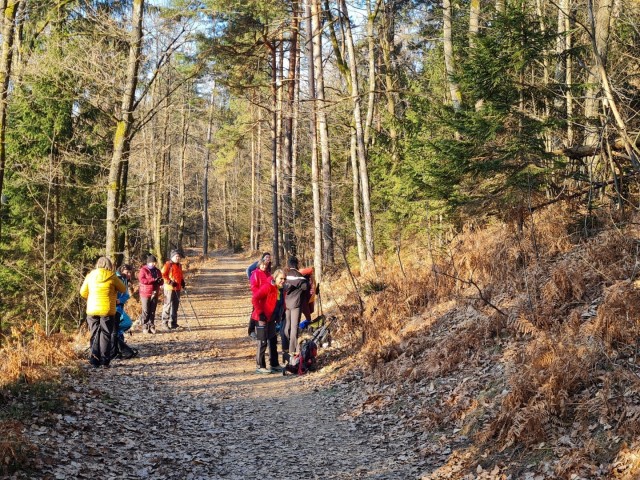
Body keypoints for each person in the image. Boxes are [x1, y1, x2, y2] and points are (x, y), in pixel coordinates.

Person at [79, 256, 126, 368]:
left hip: (92, 309)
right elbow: (123, 289)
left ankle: (94, 360)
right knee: (105, 334)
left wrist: (91, 298)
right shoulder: (112, 276)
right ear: (109, 265)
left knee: (94, 333)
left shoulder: (90, 276)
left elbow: (82, 292)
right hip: (107, 309)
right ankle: (104, 361)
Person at [252, 268, 286, 374]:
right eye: (281, 278)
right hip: (261, 318)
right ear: (275, 278)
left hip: (271, 319)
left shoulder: (280, 289)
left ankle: (274, 365)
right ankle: (260, 366)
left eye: (284, 279)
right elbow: (254, 298)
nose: (283, 281)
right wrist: (261, 314)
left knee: (273, 341)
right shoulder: (268, 286)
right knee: (262, 342)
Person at [283, 256, 309, 360]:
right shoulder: (297, 275)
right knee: (294, 328)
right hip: (296, 304)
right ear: (296, 264)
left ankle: (291, 348)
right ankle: (292, 351)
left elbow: (285, 286)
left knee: (287, 328)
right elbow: (305, 286)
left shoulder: (286, 275)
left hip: (288, 303)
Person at [113, 264, 138, 358]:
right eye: (127, 272)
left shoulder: (124, 279)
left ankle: (121, 349)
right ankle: (119, 351)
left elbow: (126, 295)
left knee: (124, 325)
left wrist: (121, 300)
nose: (129, 274)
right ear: (122, 270)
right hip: (113, 308)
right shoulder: (115, 278)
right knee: (123, 325)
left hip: (119, 307)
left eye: (130, 273)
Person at [246, 252, 272, 338]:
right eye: (266, 257)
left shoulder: (268, 271)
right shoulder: (256, 271)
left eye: (269, 258)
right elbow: (249, 270)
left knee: (262, 313)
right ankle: (252, 330)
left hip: (266, 298)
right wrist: (259, 293)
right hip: (258, 296)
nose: (267, 259)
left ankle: (263, 331)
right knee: (255, 312)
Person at [138, 254, 163, 334]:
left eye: (155, 262)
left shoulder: (157, 270)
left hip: (155, 292)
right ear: (148, 263)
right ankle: (145, 325)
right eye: (152, 262)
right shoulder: (143, 270)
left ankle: (151, 325)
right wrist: (153, 280)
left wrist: (160, 281)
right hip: (145, 293)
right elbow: (142, 280)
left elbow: (161, 280)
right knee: (146, 310)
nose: (154, 264)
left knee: (153, 310)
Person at [161, 249, 185, 330]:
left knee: (175, 306)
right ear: (172, 257)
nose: (178, 258)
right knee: (167, 305)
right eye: (176, 256)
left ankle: (173, 323)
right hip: (169, 288)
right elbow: (163, 275)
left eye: (179, 256)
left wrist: (182, 281)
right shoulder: (168, 265)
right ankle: (164, 323)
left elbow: (180, 275)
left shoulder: (179, 265)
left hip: (177, 288)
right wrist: (169, 282)